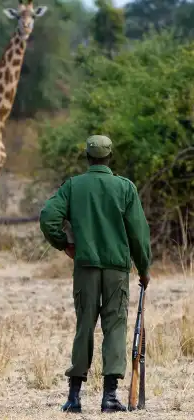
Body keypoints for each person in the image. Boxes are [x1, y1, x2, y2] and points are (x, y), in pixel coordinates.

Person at [39, 135, 152, 414]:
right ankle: (110, 398)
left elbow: (47, 217)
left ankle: (74, 397)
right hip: (116, 270)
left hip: (86, 267)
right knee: (114, 327)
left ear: (88, 157)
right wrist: (144, 268)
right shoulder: (125, 188)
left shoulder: (73, 187)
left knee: (84, 327)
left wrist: (64, 244)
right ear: (109, 156)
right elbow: (138, 234)